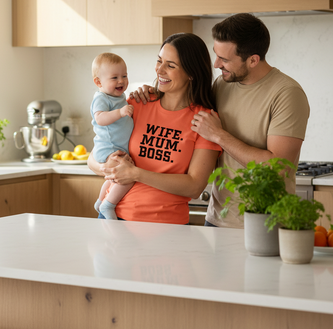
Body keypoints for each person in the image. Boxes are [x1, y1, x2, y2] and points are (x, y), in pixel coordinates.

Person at [132, 13, 310, 228]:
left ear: (253, 60)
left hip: (266, 223)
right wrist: (153, 91)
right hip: (217, 218)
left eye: (224, 60)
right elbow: (183, 102)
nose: (216, 64)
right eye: (216, 55)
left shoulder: (287, 94)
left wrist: (218, 135)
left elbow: (277, 168)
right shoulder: (222, 85)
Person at [88, 33, 222, 225]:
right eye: (159, 61)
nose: (159, 69)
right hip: (115, 217)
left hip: (169, 226)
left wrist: (136, 174)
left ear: (191, 73)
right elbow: (92, 157)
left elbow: (194, 186)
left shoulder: (205, 121)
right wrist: (105, 166)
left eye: (171, 65)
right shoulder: (138, 103)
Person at [91, 53, 135, 220]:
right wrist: (120, 112)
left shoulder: (119, 97)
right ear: (98, 82)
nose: (121, 81)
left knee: (113, 178)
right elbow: (100, 118)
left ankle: (100, 200)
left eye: (124, 76)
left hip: (115, 147)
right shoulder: (101, 98)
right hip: (108, 147)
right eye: (114, 77)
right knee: (128, 177)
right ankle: (109, 204)